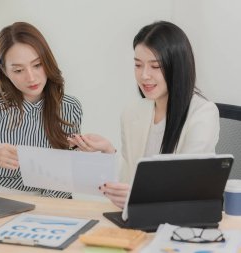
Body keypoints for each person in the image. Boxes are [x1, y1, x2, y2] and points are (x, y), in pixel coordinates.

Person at [68, 21, 219, 208]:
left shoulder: (203, 113)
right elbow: (127, 182)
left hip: (178, 221)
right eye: (138, 65)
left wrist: (136, 197)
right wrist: (108, 151)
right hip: (136, 218)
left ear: (177, 67)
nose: (144, 75)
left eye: (155, 66)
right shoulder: (133, 112)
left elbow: (185, 188)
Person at [0, 22, 82, 198]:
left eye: (37, 65)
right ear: (5, 71)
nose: (31, 77)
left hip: (50, 201)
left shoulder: (69, 107)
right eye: (18, 70)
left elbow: (65, 176)